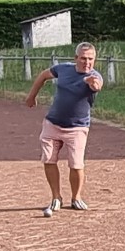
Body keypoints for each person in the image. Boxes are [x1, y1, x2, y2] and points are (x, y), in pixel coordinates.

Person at [25, 42, 104, 217]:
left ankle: (76, 198)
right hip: (52, 123)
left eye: (90, 59)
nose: (87, 62)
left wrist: (92, 83)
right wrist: (32, 96)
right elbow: (43, 76)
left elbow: (97, 86)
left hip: (77, 127)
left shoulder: (95, 75)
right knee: (48, 159)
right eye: (83, 58)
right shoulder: (63, 69)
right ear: (76, 58)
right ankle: (56, 197)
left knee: (76, 164)